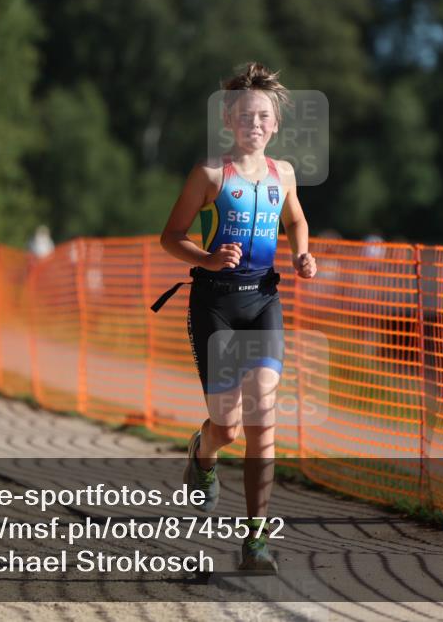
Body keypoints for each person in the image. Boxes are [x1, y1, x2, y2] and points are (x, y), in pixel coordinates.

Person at [155, 62, 317, 571]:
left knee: (263, 418)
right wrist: (205, 259)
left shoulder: (283, 173)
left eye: (263, 116)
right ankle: (203, 454)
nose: (255, 123)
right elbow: (171, 235)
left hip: (263, 302)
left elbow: (295, 217)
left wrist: (301, 254)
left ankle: (255, 542)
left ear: (274, 125)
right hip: (216, 306)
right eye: (245, 115)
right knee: (227, 427)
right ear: (229, 119)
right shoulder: (209, 174)